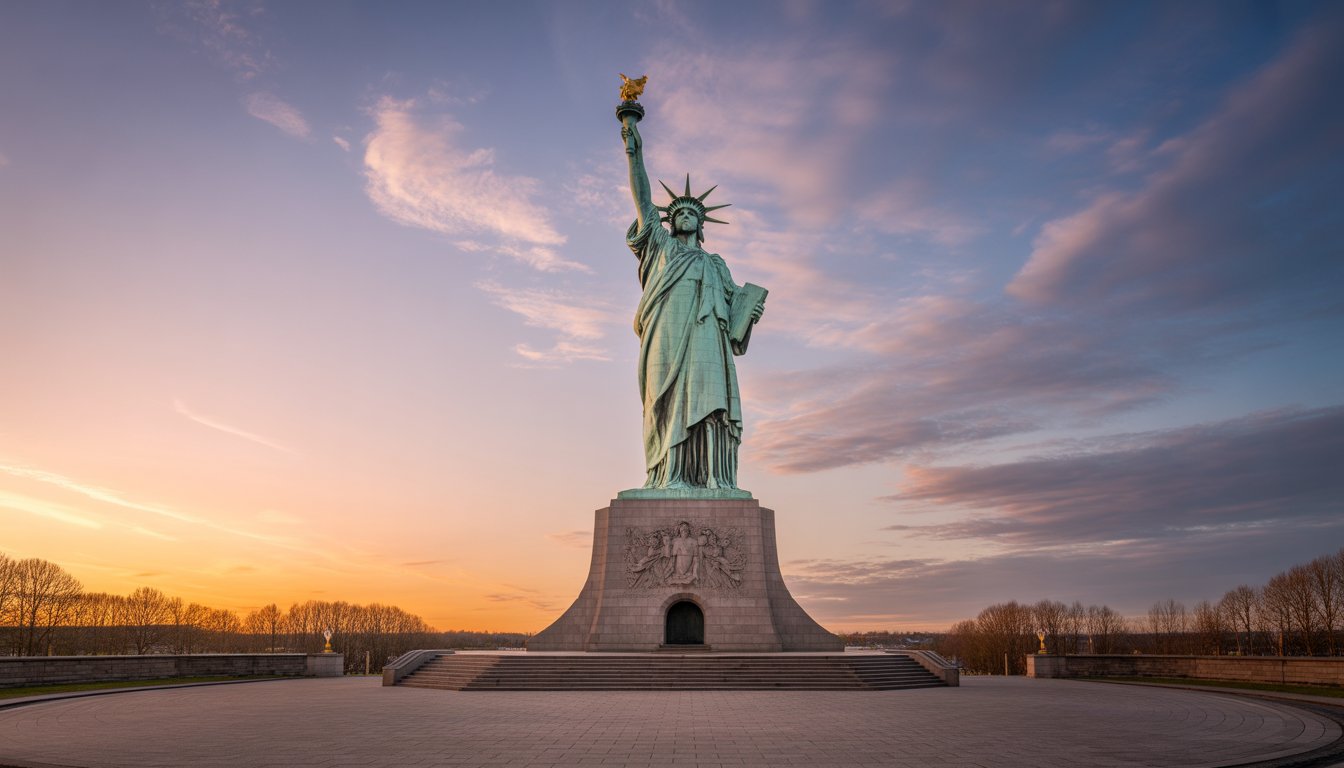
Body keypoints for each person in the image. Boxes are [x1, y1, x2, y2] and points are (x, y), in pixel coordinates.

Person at [620, 117, 764, 491]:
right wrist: (634, 150)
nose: (685, 216)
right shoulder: (660, 247)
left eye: (692, 214)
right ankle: (667, 476)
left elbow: (736, 309)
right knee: (663, 403)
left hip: (705, 337)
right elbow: (642, 199)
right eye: (679, 213)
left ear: (701, 225)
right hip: (665, 333)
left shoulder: (715, 264)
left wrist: (751, 313)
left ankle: (712, 478)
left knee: (709, 404)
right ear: (670, 222)